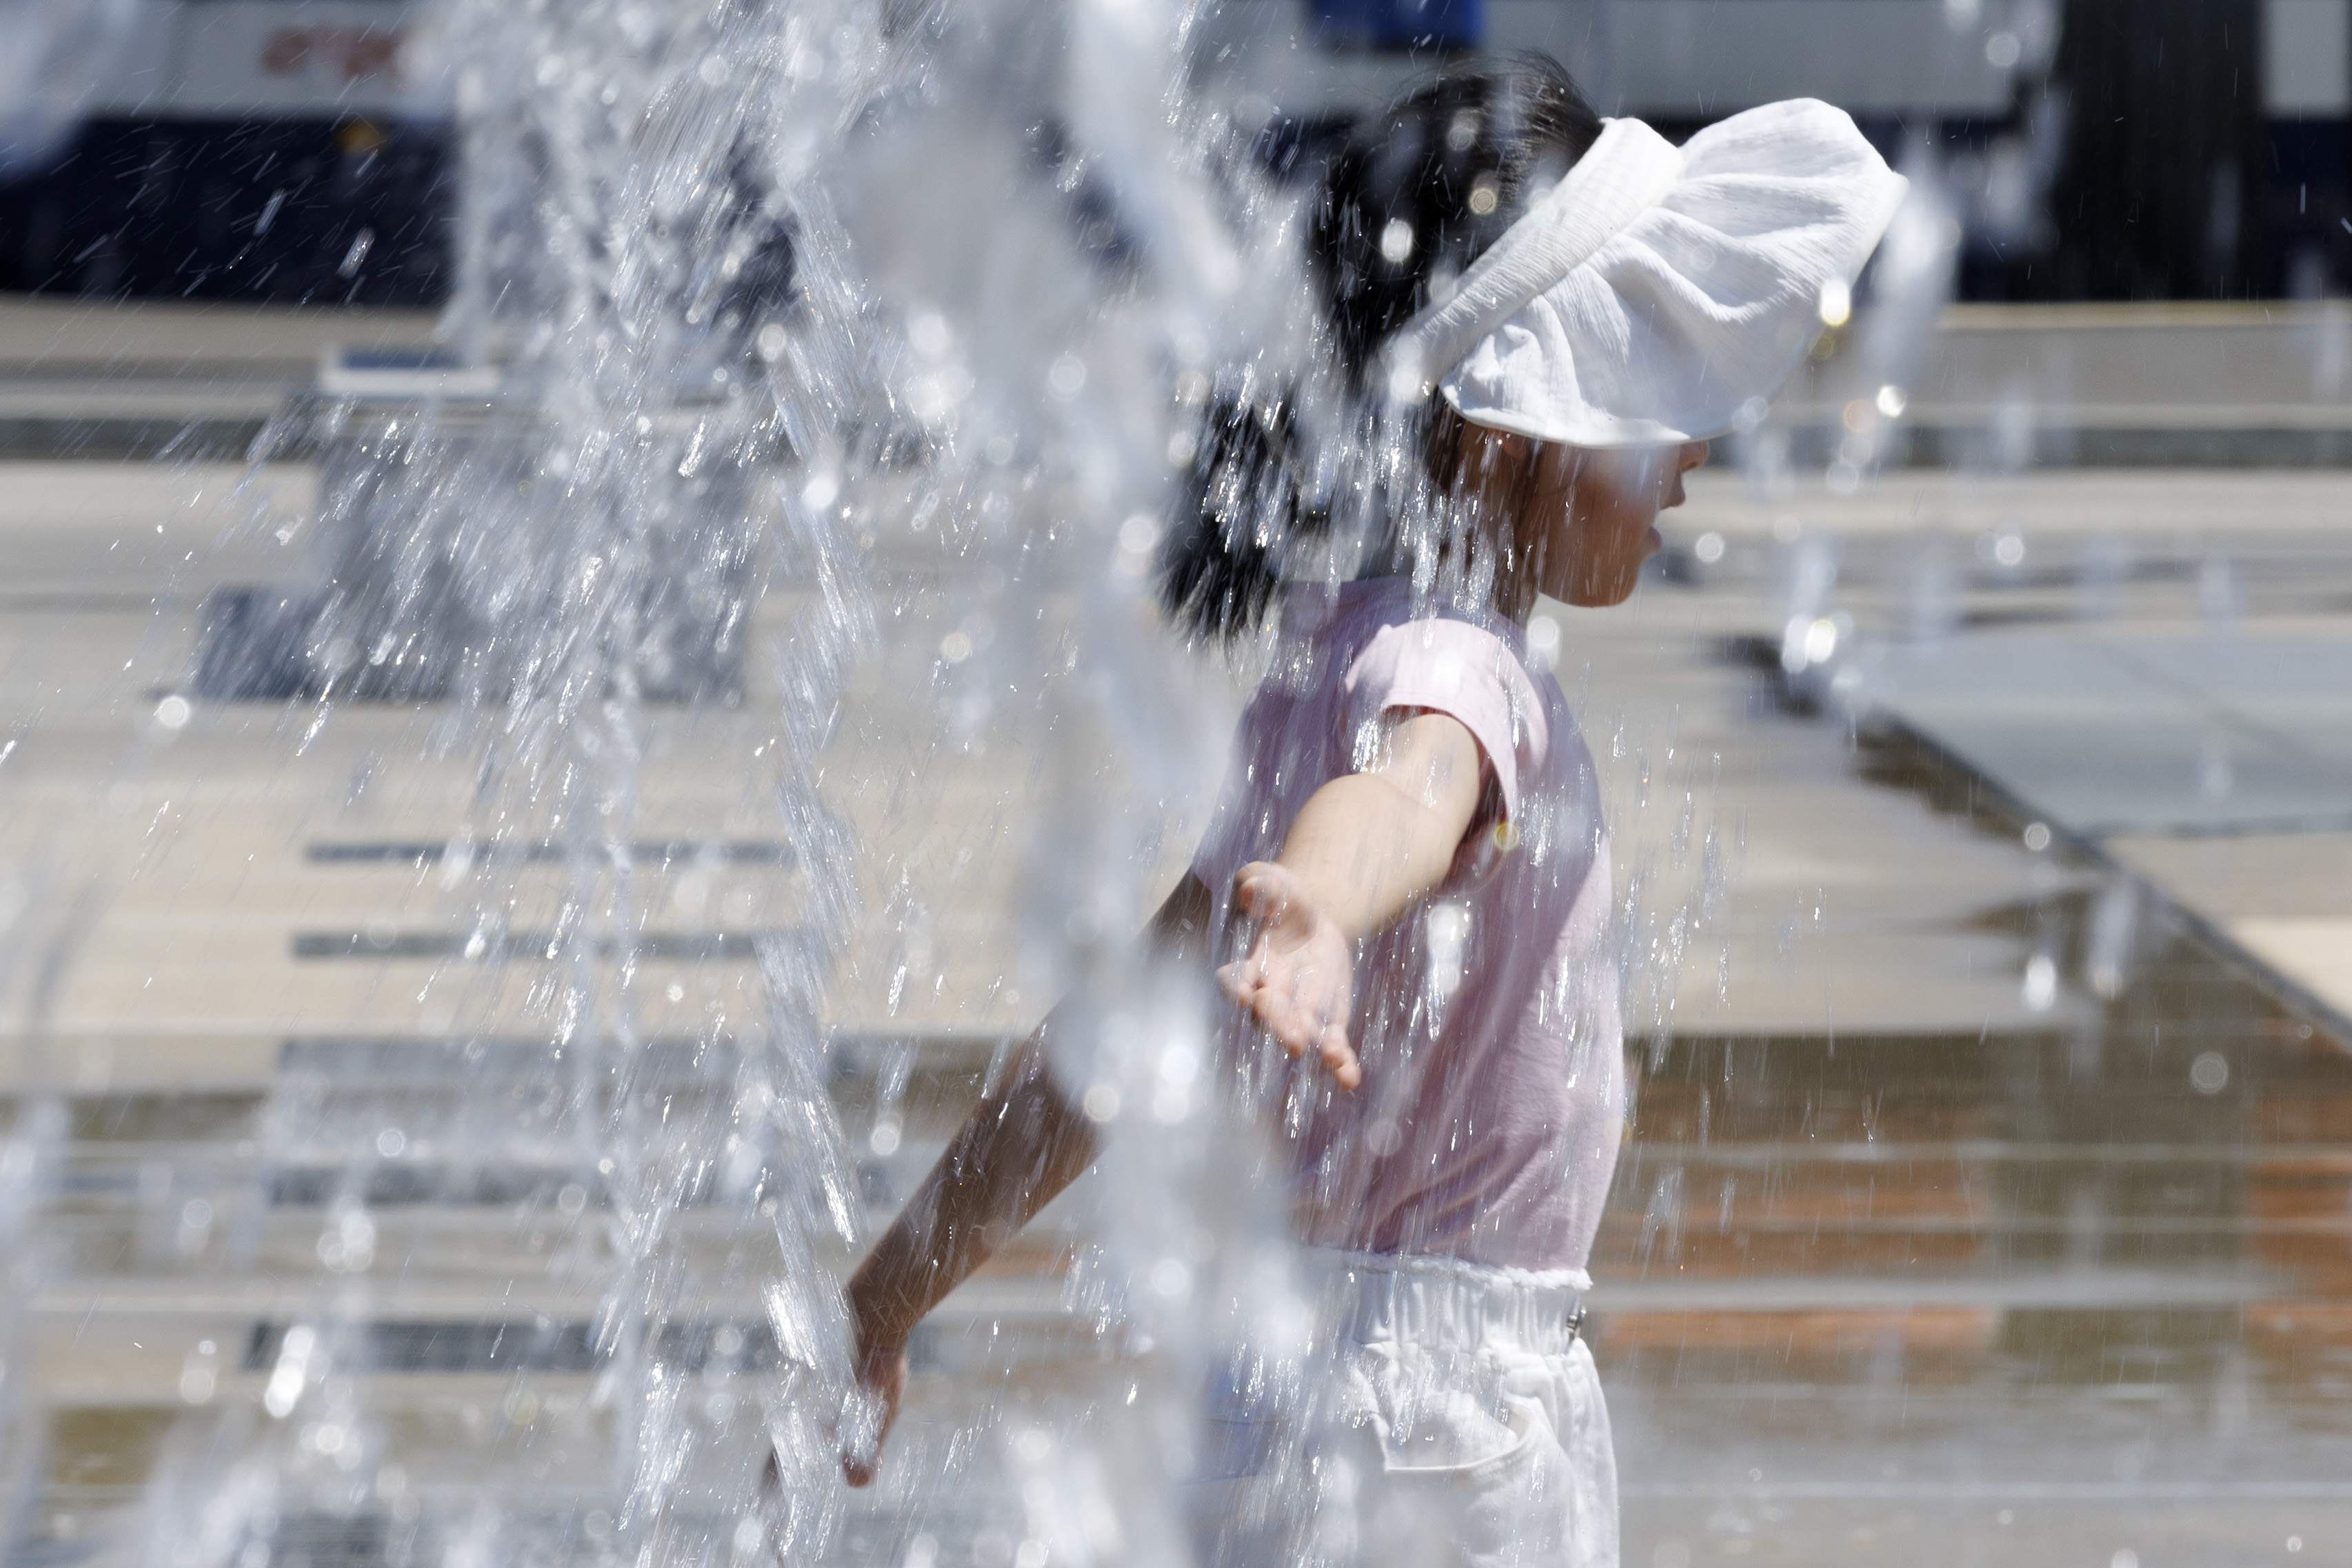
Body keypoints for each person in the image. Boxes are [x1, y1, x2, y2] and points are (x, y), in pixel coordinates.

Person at [825, 55, 1906, 1567]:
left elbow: (1104, 1046)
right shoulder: (1457, 672)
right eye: (1650, 404)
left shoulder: (1329, 658)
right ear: (1503, 433)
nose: (1689, 462)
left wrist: (892, 1288)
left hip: (1284, 1403)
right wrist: (1330, 904)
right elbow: (1407, 790)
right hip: (1443, 1429)